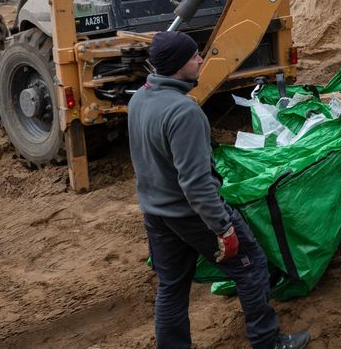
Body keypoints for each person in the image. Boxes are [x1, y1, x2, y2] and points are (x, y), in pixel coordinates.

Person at [129, 31, 309, 349]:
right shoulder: (184, 113)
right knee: (251, 265)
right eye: (193, 56)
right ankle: (267, 342)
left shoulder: (140, 99)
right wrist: (223, 227)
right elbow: (196, 184)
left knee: (172, 286)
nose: (200, 59)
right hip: (192, 213)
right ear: (176, 65)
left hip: (156, 213)